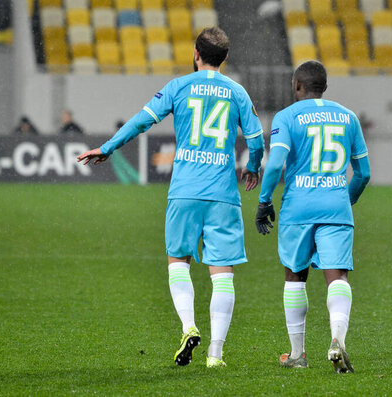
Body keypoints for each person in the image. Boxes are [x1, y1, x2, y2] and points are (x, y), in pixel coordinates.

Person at [77, 27, 264, 368]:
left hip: (185, 191)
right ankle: (215, 355)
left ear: (196, 53)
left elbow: (140, 122)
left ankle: (188, 325)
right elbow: (256, 140)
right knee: (222, 273)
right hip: (223, 194)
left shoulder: (179, 87)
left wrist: (107, 148)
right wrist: (252, 167)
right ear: (225, 58)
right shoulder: (237, 92)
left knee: (178, 262)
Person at [255, 61, 370, 372]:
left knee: (295, 276)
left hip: (298, 208)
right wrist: (345, 199)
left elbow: (276, 164)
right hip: (335, 206)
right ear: (325, 87)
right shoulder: (348, 117)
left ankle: (297, 355)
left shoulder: (286, 117)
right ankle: (337, 340)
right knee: (337, 276)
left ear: (296, 86)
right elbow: (363, 173)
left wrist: (264, 202)